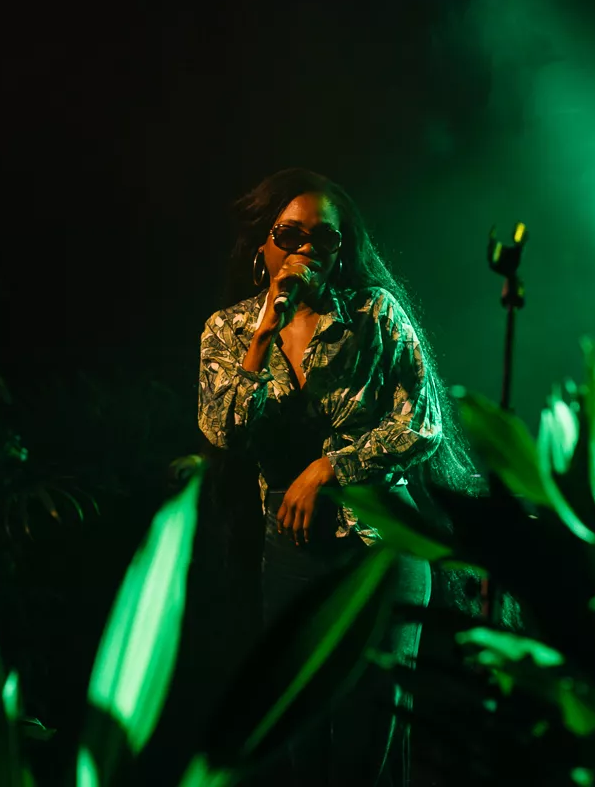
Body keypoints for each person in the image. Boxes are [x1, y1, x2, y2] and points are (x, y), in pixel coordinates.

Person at [196, 168, 484, 786]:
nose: (305, 249)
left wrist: (329, 468)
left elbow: (422, 424)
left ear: (342, 249)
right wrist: (263, 336)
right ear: (263, 243)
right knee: (300, 736)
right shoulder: (228, 329)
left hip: (379, 542)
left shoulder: (374, 313)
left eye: (323, 238)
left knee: (369, 738)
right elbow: (224, 432)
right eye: (289, 234)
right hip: (291, 551)